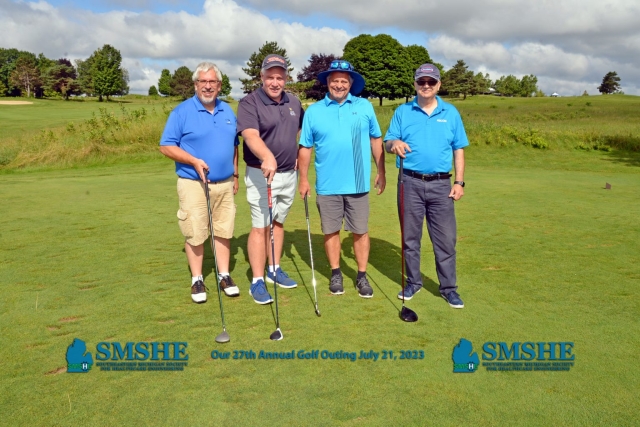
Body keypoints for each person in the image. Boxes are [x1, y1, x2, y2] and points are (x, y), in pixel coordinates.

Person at [298, 60, 386, 298]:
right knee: (331, 231)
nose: (339, 85)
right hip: (327, 185)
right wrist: (303, 179)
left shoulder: (364, 106)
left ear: (351, 84)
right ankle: (336, 273)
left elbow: (376, 139)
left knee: (360, 231)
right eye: (335, 80)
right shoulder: (314, 111)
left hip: (358, 183)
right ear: (328, 83)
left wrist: (382, 171)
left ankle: (362, 275)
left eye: (344, 81)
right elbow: (305, 147)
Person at [384, 63, 468, 308]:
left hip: (441, 184)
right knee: (410, 238)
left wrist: (459, 181)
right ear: (415, 84)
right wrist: (394, 143)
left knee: (445, 240)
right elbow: (388, 142)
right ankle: (413, 282)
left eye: (431, 82)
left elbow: (458, 149)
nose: (426, 85)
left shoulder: (450, 112)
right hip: (409, 182)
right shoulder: (403, 111)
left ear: (438, 85)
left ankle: (449, 289)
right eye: (422, 81)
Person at [159, 62, 240, 303]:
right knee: (195, 231)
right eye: (203, 81)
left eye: (212, 81)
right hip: (194, 183)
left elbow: (234, 146)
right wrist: (193, 161)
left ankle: (224, 275)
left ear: (219, 85)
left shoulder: (228, 111)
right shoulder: (182, 112)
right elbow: (166, 146)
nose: (207, 86)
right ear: (195, 85)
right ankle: (197, 279)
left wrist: (235, 175)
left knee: (224, 230)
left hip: (225, 183)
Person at [236, 54, 305, 304]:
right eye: (270, 77)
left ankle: (273, 269)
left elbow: (301, 130)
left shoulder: (294, 102)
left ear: (286, 78)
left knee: (278, 222)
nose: (275, 82)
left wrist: (297, 153)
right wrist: (267, 156)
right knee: (260, 226)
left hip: (289, 174)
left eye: (280, 77)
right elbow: (250, 135)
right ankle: (257, 280)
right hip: (261, 174)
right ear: (261, 77)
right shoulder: (249, 102)